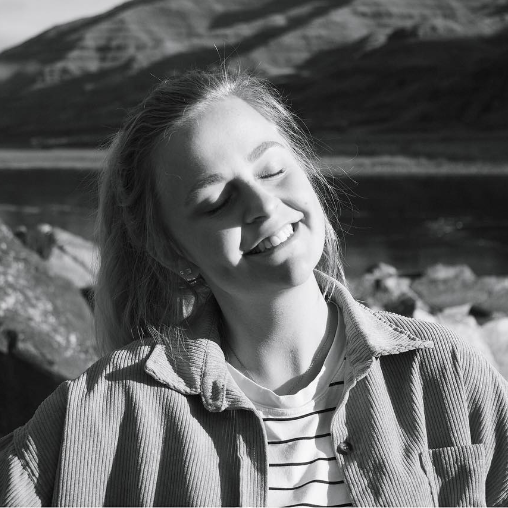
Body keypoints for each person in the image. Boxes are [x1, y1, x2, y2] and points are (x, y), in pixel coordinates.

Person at [1, 67, 508, 507]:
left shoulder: (445, 371)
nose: (263, 205)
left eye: (272, 169)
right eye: (218, 202)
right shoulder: (105, 410)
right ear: (171, 251)